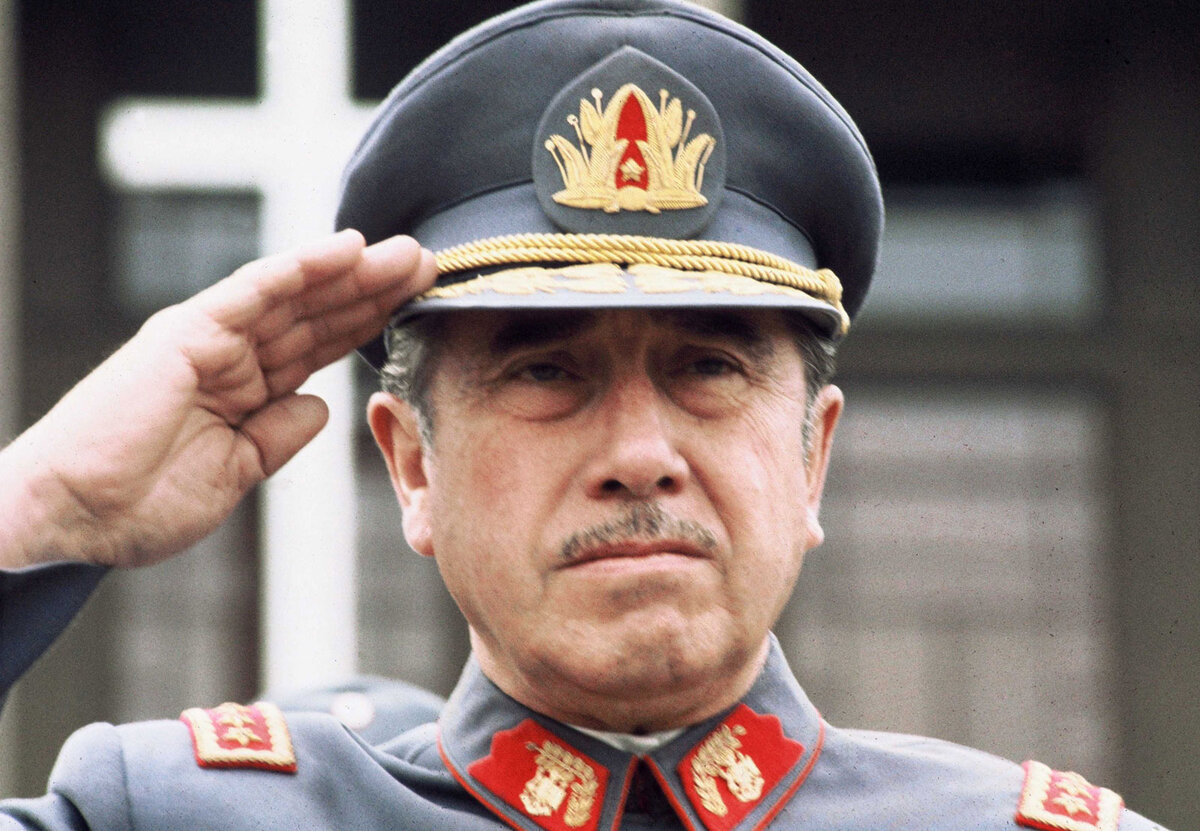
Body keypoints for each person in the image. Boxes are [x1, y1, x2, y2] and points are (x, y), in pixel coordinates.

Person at [0, 0, 1169, 829]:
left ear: (813, 456)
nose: (641, 455)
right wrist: (40, 507)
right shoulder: (178, 816)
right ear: (413, 468)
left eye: (708, 367)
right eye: (546, 373)